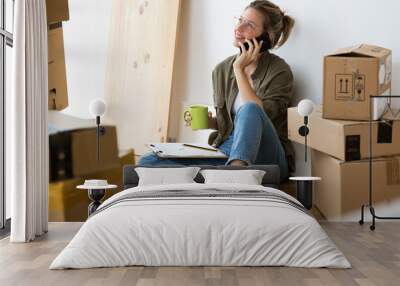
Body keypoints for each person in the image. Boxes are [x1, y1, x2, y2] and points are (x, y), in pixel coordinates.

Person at [138, 0, 295, 182]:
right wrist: (208, 121)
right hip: (229, 148)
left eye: (249, 25)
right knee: (148, 162)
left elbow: (259, 115)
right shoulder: (221, 70)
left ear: (266, 37)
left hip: (267, 154)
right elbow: (228, 125)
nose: (239, 28)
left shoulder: (279, 70)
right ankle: (222, 175)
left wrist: (239, 71)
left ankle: (233, 176)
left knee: (250, 109)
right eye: (240, 20)